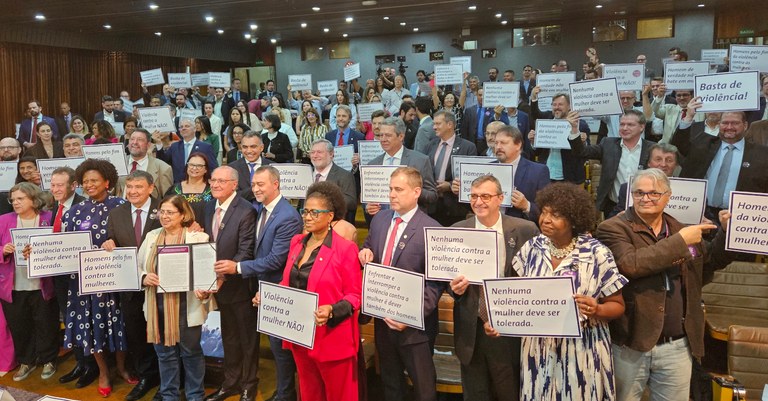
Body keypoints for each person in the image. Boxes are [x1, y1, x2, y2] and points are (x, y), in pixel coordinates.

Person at [595, 168, 733, 401]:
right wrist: (680, 242)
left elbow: (706, 266)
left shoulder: (680, 228)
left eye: (653, 193)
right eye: (639, 193)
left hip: (677, 345)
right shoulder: (612, 228)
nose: (646, 198)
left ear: (668, 196)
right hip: (631, 343)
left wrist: (726, 235)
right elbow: (631, 264)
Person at [485, 182, 627, 401]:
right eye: (544, 212)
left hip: (583, 351)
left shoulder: (597, 253)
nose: (545, 220)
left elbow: (617, 306)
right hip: (537, 349)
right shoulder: (532, 248)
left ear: (574, 218)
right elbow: (516, 298)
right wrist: (499, 321)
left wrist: (597, 309)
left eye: (556, 215)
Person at [254, 181, 361, 401]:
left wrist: (332, 309)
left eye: (315, 212)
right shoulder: (297, 243)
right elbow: (287, 283)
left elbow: (355, 296)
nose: (308, 217)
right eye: (305, 211)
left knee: (339, 396)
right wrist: (269, 296)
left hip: (331, 337)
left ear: (330, 216)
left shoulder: (345, 249)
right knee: (309, 393)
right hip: (300, 335)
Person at [448, 175, 539, 401]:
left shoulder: (525, 229)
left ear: (500, 198)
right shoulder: (456, 230)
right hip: (471, 330)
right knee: (475, 394)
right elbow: (448, 279)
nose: (479, 202)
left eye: (486, 196)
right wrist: (454, 290)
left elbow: (534, 283)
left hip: (509, 332)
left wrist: (507, 317)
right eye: (474, 196)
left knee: (509, 393)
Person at [358, 166, 443, 401]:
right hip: (383, 319)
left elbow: (435, 284)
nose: (392, 194)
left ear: (416, 192)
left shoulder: (432, 228)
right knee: (391, 384)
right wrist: (364, 253)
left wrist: (410, 315)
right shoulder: (380, 219)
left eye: (398, 189)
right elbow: (369, 246)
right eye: (390, 189)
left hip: (414, 327)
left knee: (424, 388)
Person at [228, 166, 303, 401]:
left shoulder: (288, 216)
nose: (256, 189)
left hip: (279, 289)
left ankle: (285, 395)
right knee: (275, 347)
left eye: (261, 184)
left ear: (276, 184)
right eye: (253, 185)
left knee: (281, 350)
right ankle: (283, 392)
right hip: (262, 289)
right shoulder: (260, 209)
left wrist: (237, 267)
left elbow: (275, 260)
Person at [61, 159, 132, 397]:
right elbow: (62, 246)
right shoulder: (74, 212)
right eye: (85, 181)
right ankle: (103, 371)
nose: (88, 185)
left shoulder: (123, 206)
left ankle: (121, 367)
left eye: (94, 180)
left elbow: (132, 239)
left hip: (116, 279)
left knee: (119, 324)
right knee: (91, 327)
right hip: (85, 283)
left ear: (107, 182)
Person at [138, 195, 213, 401]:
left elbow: (205, 273)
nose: (164, 216)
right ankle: (169, 394)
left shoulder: (198, 238)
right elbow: (138, 267)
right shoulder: (152, 236)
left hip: (186, 306)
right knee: (164, 354)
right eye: (162, 212)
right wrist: (144, 277)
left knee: (191, 353)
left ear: (183, 215)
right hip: (157, 306)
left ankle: (195, 395)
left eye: (170, 212)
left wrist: (204, 289)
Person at [102, 170, 163, 401]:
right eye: (130, 187)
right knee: (137, 334)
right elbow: (113, 240)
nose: (133, 191)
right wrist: (109, 242)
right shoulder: (116, 213)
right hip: (131, 286)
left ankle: (167, 378)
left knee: (164, 333)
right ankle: (146, 376)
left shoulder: (164, 208)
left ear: (151, 187)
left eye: (139, 187)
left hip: (160, 284)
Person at [201, 167, 257, 401]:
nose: (214, 184)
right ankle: (230, 382)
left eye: (221, 181)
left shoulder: (245, 211)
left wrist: (222, 278)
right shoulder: (207, 207)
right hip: (216, 287)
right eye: (212, 180)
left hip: (239, 287)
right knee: (229, 338)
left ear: (234, 184)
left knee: (247, 339)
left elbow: (246, 251)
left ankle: (249, 384)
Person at [0, 183, 59, 381]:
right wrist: (3, 251)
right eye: (13, 199)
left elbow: (60, 246)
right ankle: (26, 361)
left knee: (46, 323)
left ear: (33, 199)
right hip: (14, 285)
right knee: (19, 325)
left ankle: (48, 359)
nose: (15, 203)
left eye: (20, 199)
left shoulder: (48, 219)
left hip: (43, 284)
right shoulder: (3, 221)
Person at [673, 103, 768, 223]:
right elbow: (680, 143)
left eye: (735, 123)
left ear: (745, 125)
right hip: (703, 214)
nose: (729, 127)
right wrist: (688, 117)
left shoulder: (762, 154)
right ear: (719, 124)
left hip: (740, 218)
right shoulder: (704, 143)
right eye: (725, 123)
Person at [570, 110, 653, 217]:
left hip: (644, 206)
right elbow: (581, 152)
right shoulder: (608, 144)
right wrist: (574, 129)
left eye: (630, 125)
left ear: (642, 127)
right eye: (622, 124)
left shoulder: (652, 148)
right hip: (613, 207)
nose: (624, 128)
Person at [366, 117, 438, 216]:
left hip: (412, 222)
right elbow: (368, 198)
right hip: (382, 221)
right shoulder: (372, 164)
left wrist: (410, 191)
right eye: (381, 135)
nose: (383, 139)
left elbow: (432, 195)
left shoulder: (420, 161)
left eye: (388, 135)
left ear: (401, 136)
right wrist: (368, 206)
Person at [426, 110, 477, 226]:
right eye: (434, 124)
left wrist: (449, 185)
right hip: (431, 206)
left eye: (438, 124)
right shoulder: (430, 145)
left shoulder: (468, 147)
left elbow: (471, 177)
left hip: (455, 208)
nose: (434, 127)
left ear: (450, 125)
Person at [308, 139, 358, 223]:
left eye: (319, 152)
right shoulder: (306, 174)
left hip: (334, 225)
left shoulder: (344, 175)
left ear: (331, 154)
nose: (315, 155)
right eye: (312, 152)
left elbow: (351, 203)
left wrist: (323, 202)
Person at [117, 128, 173, 200]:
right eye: (132, 139)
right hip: (121, 209)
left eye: (140, 140)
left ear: (148, 145)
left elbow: (167, 200)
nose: (135, 142)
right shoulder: (119, 163)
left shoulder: (163, 168)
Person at [156, 119, 218, 183]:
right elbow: (163, 161)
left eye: (187, 126)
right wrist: (159, 144)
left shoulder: (206, 147)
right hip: (178, 187)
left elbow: (213, 168)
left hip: (199, 186)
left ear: (194, 129)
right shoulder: (174, 146)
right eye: (181, 127)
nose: (183, 128)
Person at [461, 88, 510, 155]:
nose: (482, 97)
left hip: (487, 143)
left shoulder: (494, 110)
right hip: (472, 142)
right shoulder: (469, 110)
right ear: (476, 96)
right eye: (480, 95)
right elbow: (464, 129)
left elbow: (502, 124)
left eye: (484, 95)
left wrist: (497, 115)